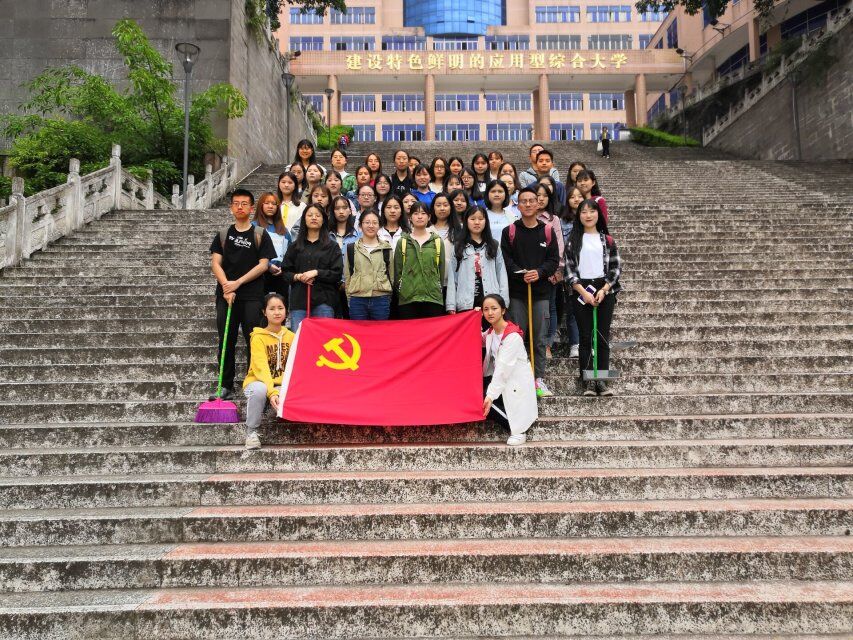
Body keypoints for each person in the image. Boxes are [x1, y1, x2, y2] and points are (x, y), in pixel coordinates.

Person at [209, 189, 277, 400]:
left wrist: (237, 283)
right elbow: (215, 263)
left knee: (253, 340)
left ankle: (253, 383)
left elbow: (264, 264)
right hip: (226, 296)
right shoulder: (223, 234)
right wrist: (226, 286)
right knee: (226, 340)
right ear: (231, 207)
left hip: (252, 296)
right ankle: (225, 385)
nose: (240, 207)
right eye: (236, 203)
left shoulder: (260, 234)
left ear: (251, 208)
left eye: (244, 203)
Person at [500, 186, 559, 397]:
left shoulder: (547, 231)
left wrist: (539, 272)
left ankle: (538, 379)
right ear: (518, 205)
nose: (527, 204)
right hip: (517, 293)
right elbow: (506, 260)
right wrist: (521, 273)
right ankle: (518, 380)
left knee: (540, 338)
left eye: (531, 200)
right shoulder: (510, 231)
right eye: (523, 201)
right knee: (516, 338)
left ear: (538, 203)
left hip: (541, 293)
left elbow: (553, 260)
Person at [566, 198, 622, 397]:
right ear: (578, 215)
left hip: (604, 289)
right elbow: (570, 271)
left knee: (602, 336)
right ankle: (588, 381)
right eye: (584, 212)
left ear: (598, 214)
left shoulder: (608, 240)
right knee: (586, 336)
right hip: (581, 290)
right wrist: (583, 292)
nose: (588, 215)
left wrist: (604, 289)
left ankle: (602, 381)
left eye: (592, 211)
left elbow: (616, 268)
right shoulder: (573, 240)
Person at [481, 294, 537, 446]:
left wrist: (490, 396)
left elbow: (502, 370)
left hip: (514, 384)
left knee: (483, 400)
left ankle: (517, 430)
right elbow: (479, 338)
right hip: (502, 381)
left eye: (494, 308)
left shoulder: (512, 337)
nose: (490, 313)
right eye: (486, 309)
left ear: (503, 310)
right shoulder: (491, 332)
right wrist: (472, 319)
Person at [242, 292, 294, 450]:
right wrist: (271, 392)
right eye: (272, 309)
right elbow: (261, 368)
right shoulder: (258, 337)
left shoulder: (292, 337)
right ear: (264, 312)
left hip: (280, 385)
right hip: (258, 382)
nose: (277, 312)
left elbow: (294, 366)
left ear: (286, 311)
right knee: (260, 389)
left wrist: (278, 390)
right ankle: (251, 432)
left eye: (280, 308)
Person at [281, 204, 343, 330]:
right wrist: (298, 276)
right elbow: (285, 272)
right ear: (304, 219)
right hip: (299, 301)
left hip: (324, 301)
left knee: (324, 339)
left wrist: (316, 272)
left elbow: (337, 273)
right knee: (300, 338)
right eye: (310, 215)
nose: (314, 218)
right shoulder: (295, 246)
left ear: (323, 220)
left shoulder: (332, 246)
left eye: (317, 215)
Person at [447, 206, 509, 314]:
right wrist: (451, 305)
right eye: (472, 219)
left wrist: (504, 302)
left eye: (481, 219)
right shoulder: (458, 247)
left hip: (491, 303)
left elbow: (502, 275)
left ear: (486, 221)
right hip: (466, 303)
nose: (477, 222)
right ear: (466, 221)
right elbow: (452, 278)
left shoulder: (493, 245)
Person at [394, 201, 445, 319]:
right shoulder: (403, 242)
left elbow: (441, 271)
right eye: (416, 213)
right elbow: (397, 271)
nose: (420, 216)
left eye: (423, 213)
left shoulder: (437, 241)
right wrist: (403, 290)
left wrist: (437, 288)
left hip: (433, 298)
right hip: (408, 298)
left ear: (429, 217)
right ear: (410, 217)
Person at [345, 210, 394, 320]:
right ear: (360, 225)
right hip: (357, 299)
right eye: (367, 222)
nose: (371, 226)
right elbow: (348, 276)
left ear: (379, 226)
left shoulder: (386, 248)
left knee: (380, 330)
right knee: (358, 331)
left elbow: (391, 275)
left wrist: (387, 297)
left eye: (374, 222)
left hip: (381, 299)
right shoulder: (351, 248)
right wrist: (350, 298)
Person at [560, 186, 584, 358]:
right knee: (573, 307)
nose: (576, 199)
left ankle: (589, 342)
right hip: (571, 268)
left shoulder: (591, 218)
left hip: (589, 269)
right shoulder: (563, 221)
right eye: (572, 197)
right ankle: (575, 343)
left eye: (579, 196)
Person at [253, 192, 291, 297]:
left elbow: (290, 253)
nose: (270, 206)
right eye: (267, 203)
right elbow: (251, 252)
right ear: (261, 205)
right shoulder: (254, 227)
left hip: (281, 275)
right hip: (260, 274)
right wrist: (268, 265)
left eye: (274, 204)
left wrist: (284, 268)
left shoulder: (284, 230)